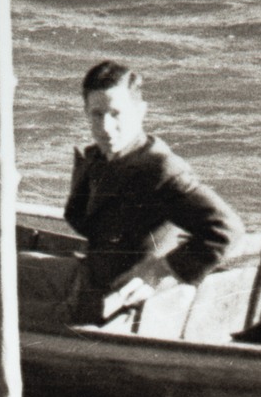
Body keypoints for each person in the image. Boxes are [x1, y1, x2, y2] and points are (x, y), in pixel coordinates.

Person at [61, 60, 244, 325]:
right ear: (86, 113)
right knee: (16, 265)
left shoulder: (160, 169)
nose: (106, 127)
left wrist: (159, 270)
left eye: (116, 114)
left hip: (115, 307)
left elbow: (227, 229)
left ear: (140, 111)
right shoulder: (100, 159)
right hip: (89, 281)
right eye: (97, 114)